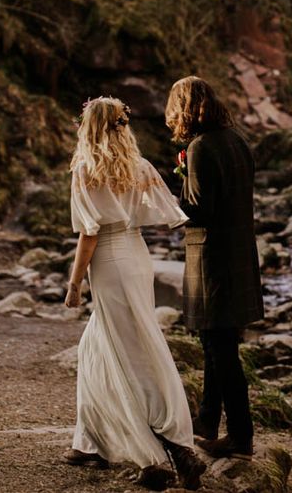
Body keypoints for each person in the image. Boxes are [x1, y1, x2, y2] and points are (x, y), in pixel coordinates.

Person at [63, 96, 206, 490]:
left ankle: (161, 454)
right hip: (138, 257)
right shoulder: (139, 167)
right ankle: (87, 441)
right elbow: (164, 215)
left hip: (108, 262)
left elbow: (89, 233)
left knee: (130, 351)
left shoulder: (86, 169)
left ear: (89, 127)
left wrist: (75, 283)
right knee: (98, 345)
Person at [165, 76, 264, 460]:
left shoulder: (202, 147)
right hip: (238, 254)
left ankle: (241, 437)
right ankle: (207, 421)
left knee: (221, 351)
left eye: (174, 108)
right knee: (216, 344)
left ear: (185, 107)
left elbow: (198, 210)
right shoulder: (238, 140)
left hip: (212, 259)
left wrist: (169, 197)